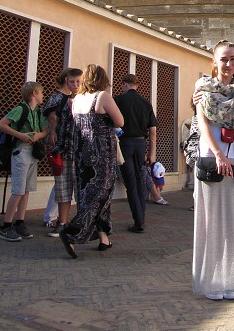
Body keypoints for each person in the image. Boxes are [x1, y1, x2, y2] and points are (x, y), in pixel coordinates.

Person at [193, 40, 234, 301]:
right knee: (210, 224)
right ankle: (210, 283)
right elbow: (203, 124)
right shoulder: (202, 88)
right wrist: (218, 155)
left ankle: (228, 282)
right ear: (214, 62)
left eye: (233, 59)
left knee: (231, 227)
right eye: (223, 59)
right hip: (211, 160)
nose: (228, 64)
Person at [59, 64, 124, 258]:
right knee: (100, 194)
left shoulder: (76, 99)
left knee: (88, 195)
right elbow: (120, 121)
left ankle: (104, 238)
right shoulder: (103, 96)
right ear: (103, 79)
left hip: (82, 154)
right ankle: (72, 233)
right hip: (101, 154)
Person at [0, 82, 47, 241]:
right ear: (34, 93)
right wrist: (20, 135)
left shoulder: (38, 112)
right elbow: (2, 124)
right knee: (18, 190)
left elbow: (44, 131)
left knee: (26, 190)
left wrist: (37, 136)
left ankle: (20, 221)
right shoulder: (21, 109)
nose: (42, 96)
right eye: (40, 93)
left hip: (32, 153)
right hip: (21, 151)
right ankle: (6, 226)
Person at [114, 74, 158, 233]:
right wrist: (151, 154)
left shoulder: (117, 100)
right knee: (139, 180)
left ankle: (138, 221)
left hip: (125, 143)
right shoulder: (146, 103)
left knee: (131, 183)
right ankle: (141, 217)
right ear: (137, 86)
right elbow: (152, 131)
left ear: (125, 84)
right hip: (141, 144)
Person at [43, 67, 83, 238]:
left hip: (81, 152)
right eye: (72, 81)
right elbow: (53, 117)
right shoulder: (59, 98)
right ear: (66, 81)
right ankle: (62, 223)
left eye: (78, 82)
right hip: (64, 149)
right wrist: (52, 132)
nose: (74, 84)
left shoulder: (85, 99)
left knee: (81, 191)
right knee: (63, 189)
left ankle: (82, 222)